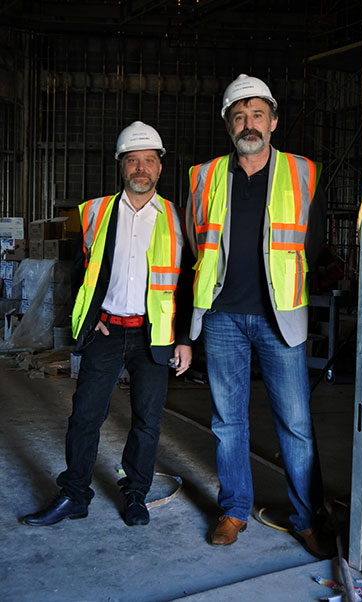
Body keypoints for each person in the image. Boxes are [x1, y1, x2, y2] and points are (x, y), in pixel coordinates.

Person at [186, 74, 335, 559]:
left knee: (295, 422)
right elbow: (196, 241)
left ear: (273, 120)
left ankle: (307, 518)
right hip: (224, 316)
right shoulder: (204, 176)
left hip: (281, 317)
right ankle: (233, 510)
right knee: (228, 421)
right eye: (238, 116)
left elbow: (312, 243)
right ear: (228, 124)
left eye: (256, 114)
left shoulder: (301, 171)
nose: (248, 124)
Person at [21, 121, 192, 528]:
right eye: (132, 161)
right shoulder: (96, 211)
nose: (140, 169)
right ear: (121, 166)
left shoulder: (176, 217)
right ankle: (74, 495)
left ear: (159, 168)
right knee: (84, 416)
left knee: (147, 421)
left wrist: (184, 339)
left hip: (154, 334)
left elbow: (186, 284)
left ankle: (135, 494)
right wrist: (92, 317)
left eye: (148, 161)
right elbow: (83, 271)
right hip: (107, 330)